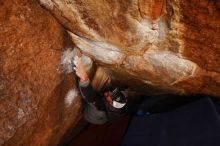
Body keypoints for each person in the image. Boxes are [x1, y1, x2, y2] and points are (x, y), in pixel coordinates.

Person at [73, 56, 128, 124]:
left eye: (110, 96)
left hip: (91, 117)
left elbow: (89, 95)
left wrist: (83, 76)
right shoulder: (122, 98)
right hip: (106, 114)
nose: (109, 93)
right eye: (113, 93)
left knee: (97, 85)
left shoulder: (99, 107)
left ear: (110, 103)